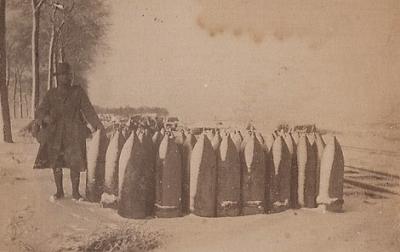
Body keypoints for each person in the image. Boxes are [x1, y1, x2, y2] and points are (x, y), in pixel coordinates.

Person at [32, 62, 104, 202]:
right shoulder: (51, 94)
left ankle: (76, 192)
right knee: (56, 162)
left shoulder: (78, 92)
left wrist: (99, 126)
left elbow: (88, 110)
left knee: (75, 162)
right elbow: (40, 111)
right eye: (63, 75)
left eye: (68, 74)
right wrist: (46, 118)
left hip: (74, 133)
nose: (67, 77)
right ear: (58, 77)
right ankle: (59, 191)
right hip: (56, 134)